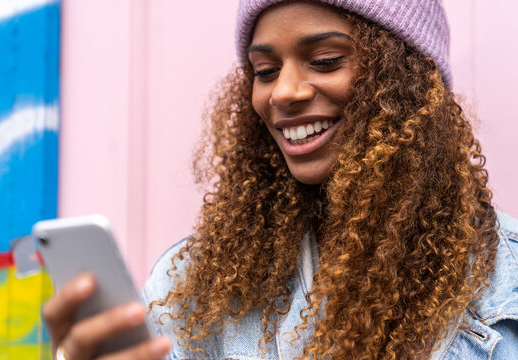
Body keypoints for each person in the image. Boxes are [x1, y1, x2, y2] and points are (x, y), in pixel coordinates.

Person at [43, 0, 518, 359]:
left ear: (409, 81)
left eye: (327, 60)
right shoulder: (190, 287)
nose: (284, 92)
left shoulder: (506, 281)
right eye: (265, 70)